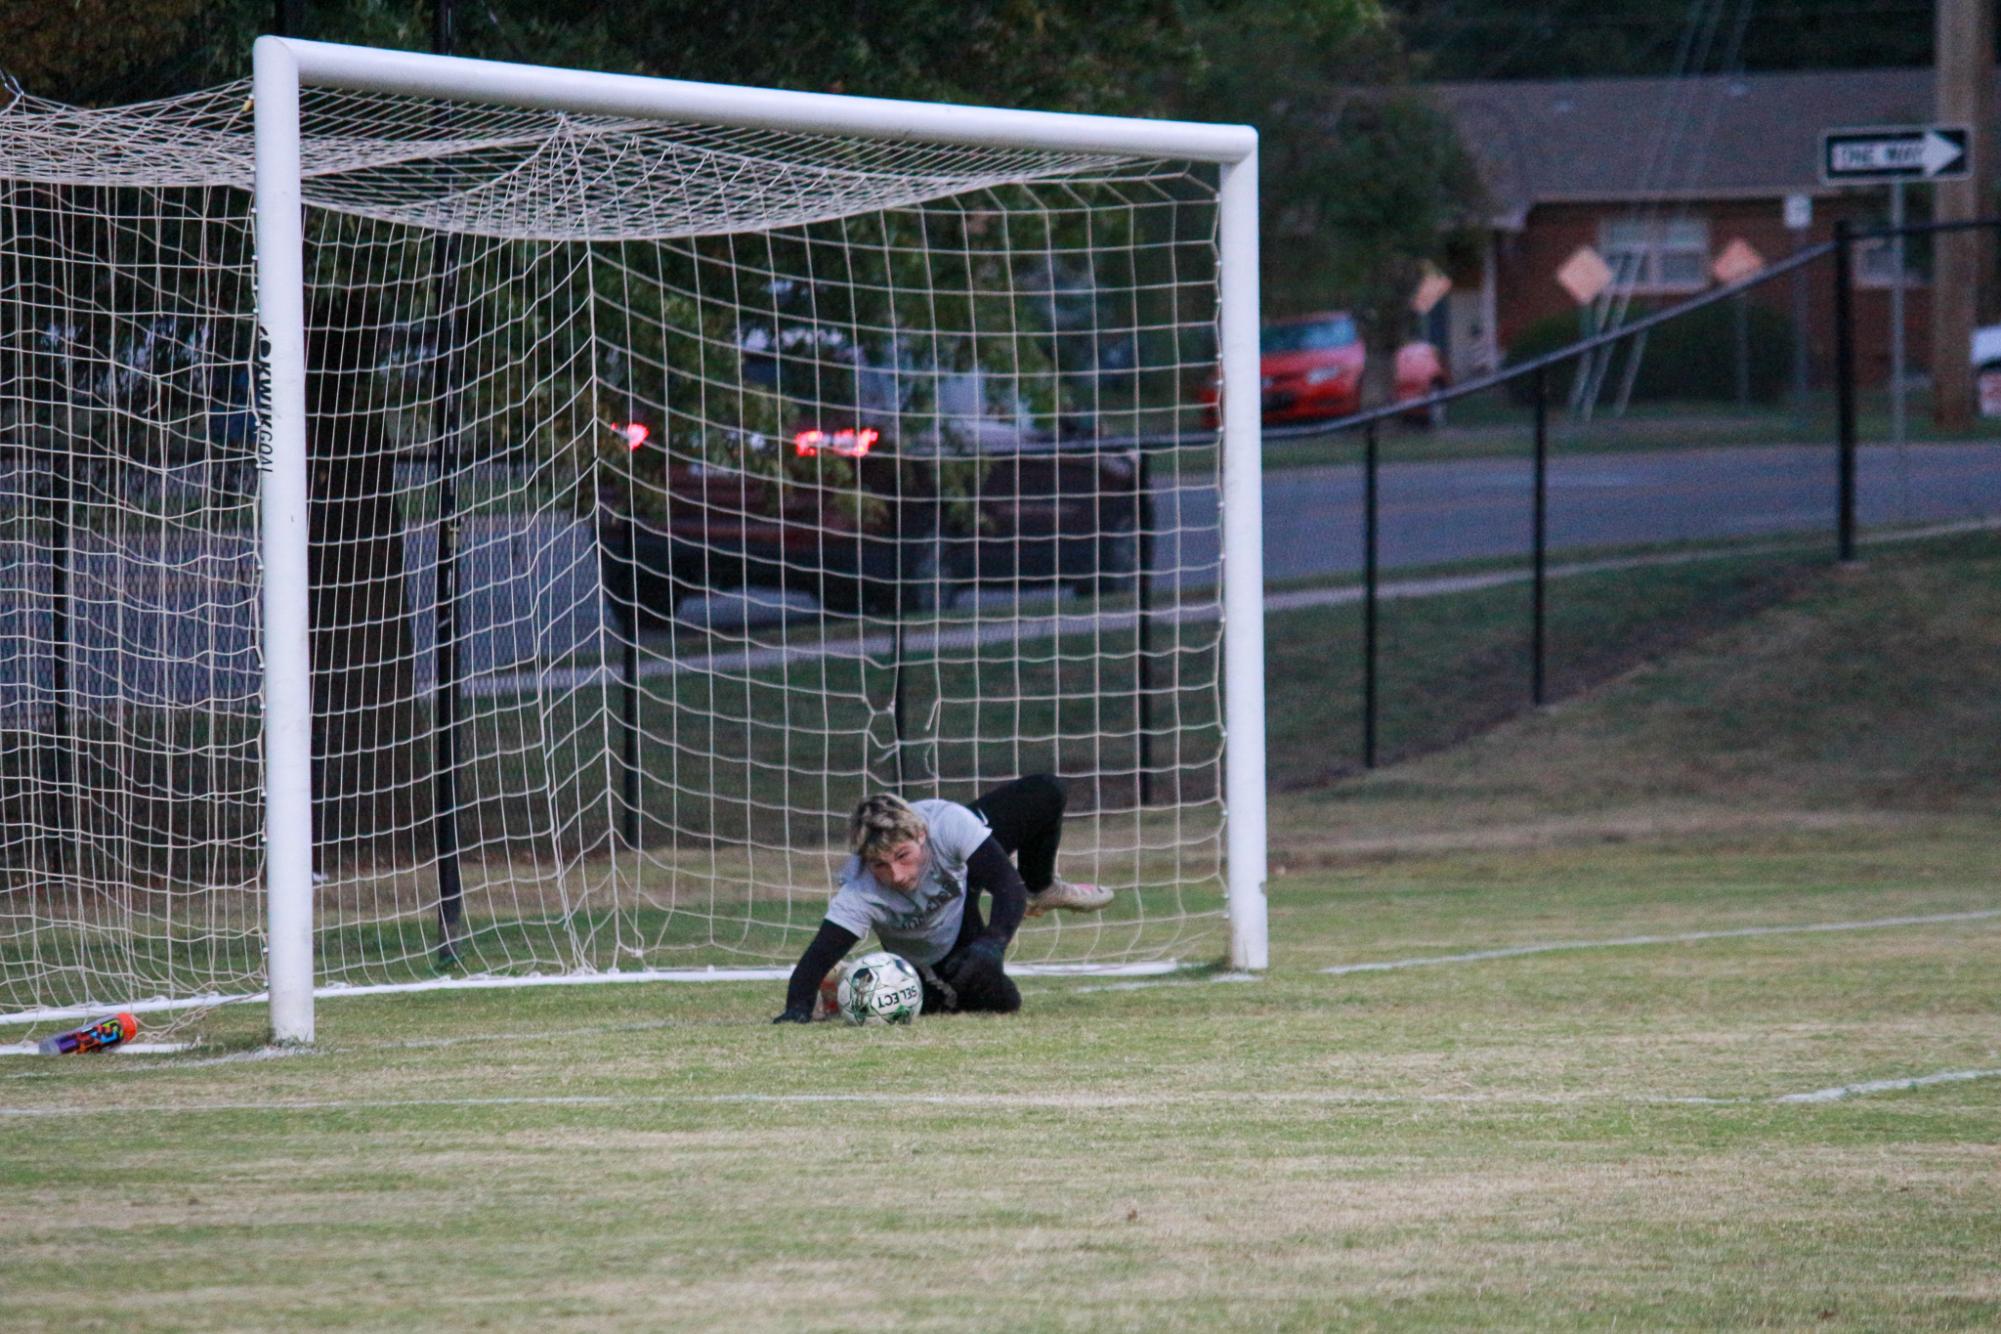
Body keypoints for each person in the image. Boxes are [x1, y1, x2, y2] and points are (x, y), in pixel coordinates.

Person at [771, 774, 1113, 1023]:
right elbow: (815, 957)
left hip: (961, 874)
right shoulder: (860, 890)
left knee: (1047, 791)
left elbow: (1007, 884)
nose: (897, 876)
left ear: (921, 835)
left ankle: (1041, 887)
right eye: (880, 865)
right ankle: (846, 983)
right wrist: (797, 1008)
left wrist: (994, 943)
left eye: (903, 856)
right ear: (866, 861)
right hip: (941, 942)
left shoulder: (946, 824)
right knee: (1000, 1001)